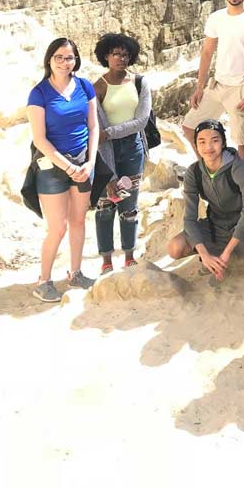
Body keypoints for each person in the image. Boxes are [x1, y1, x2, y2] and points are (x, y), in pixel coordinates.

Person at [26, 38, 100, 302]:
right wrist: (68, 166)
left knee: (79, 221)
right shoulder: (39, 93)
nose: (64, 62)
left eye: (69, 58)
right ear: (49, 60)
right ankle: (43, 281)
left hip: (83, 163)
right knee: (57, 228)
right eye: (59, 57)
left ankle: (76, 273)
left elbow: (93, 126)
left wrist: (90, 162)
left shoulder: (84, 86)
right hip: (53, 168)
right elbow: (39, 139)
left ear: (75, 61)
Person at [168, 120, 244, 284]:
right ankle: (212, 257)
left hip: (242, 221)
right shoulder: (194, 172)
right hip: (215, 224)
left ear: (223, 142)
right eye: (202, 142)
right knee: (175, 248)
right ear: (196, 145)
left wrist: (227, 254)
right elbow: (189, 219)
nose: (208, 147)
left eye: (214, 140)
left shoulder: (237, 166)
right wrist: (203, 253)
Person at [183, 0, 244, 164]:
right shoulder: (216, 18)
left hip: (242, 88)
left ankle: (241, 183)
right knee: (189, 127)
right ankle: (211, 169)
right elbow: (206, 53)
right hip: (217, 86)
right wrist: (199, 88)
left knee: (242, 141)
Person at [93, 33, 151, 273]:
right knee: (105, 205)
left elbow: (141, 121)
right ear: (106, 56)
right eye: (116, 54)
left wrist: (111, 132)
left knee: (129, 204)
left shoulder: (139, 82)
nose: (121, 58)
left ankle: (129, 255)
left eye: (125, 54)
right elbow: (96, 129)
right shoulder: (97, 87)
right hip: (105, 151)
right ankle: (106, 260)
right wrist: (105, 141)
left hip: (132, 149)